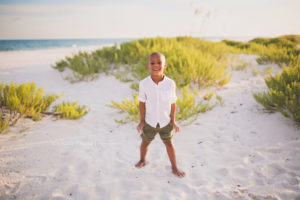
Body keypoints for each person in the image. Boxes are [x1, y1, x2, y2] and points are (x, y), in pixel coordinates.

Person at [135, 52, 186, 178]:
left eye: (159, 62)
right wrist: (142, 120)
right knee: (145, 142)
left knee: (169, 144)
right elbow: (142, 103)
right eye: (152, 63)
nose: (156, 65)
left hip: (165, 121)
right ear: (148, 66)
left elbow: (173, 103)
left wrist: (173, 121)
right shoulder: (144, 83)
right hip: (149, 121)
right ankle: (142, 160)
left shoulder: (170, 83)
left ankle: (174, 168)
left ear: (165, 65)